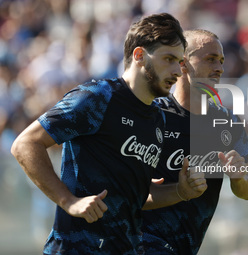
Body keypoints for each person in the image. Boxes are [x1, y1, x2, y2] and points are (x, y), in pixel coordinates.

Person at [11, 13, 190, 255]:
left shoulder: (157, 118)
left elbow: (134, 198)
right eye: (168, 58)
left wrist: (181, 191)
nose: (177, 71)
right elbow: (25, 144)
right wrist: (69, 201)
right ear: (139, 55)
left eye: (179, 61)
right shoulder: (98, 97)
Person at [141, 29, 248, 255]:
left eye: (222, 61)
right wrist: (179, 190)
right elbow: (126, 195)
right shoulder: (151, 116)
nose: (220, 68)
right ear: (182, 63)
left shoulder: (228, 121)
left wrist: (238, 178)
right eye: (211, 59)